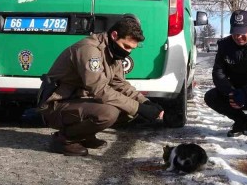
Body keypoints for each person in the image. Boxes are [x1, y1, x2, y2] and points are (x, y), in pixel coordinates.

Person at [38, 15, 165, 156]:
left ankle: (85, 135)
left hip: (78, 101)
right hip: (56, 105)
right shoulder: (89, 49)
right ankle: (65, 139)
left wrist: (145, 102)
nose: (128, 52)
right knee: (108, 113)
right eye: (126, 46)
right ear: (114, 35)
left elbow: (120, 84)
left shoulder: (112, 51)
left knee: (127, 110)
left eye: (132, 49)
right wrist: (139, 108)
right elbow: (99, 90)